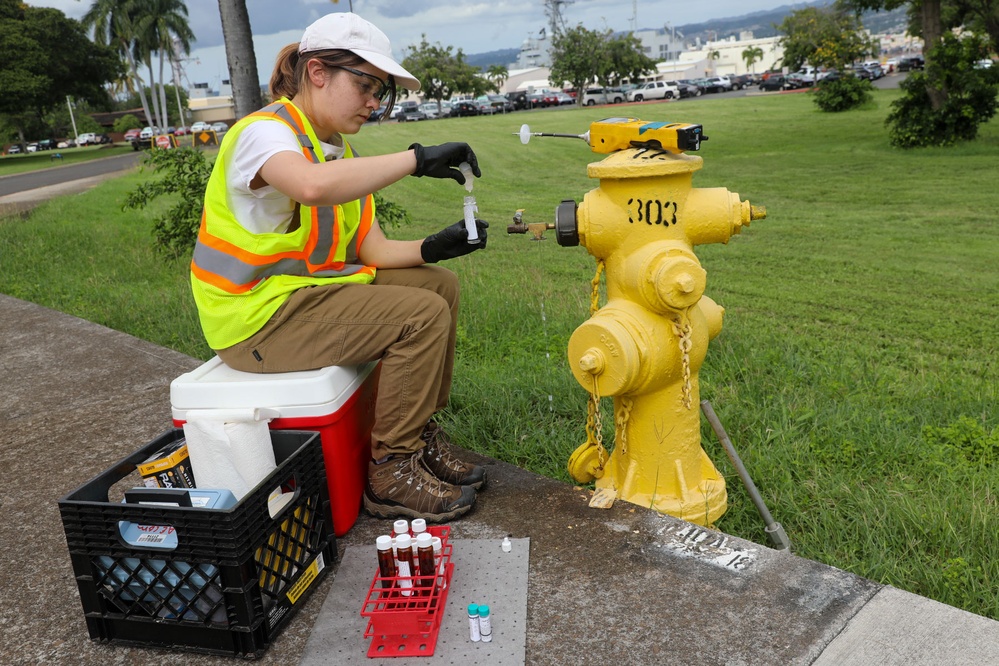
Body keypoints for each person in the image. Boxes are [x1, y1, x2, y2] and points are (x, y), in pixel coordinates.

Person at [190, 12, 489, 523]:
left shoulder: (335, 151)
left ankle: (417, 437)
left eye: (382, 91)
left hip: (299, 302)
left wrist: (437, 247)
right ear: (317, 72)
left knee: (440, 287)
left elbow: (372, 252)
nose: (375, 102)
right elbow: (308, 186)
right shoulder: (263, 134)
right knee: (422, 315)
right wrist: (416, 159)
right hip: (254, 320)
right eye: (367, 86)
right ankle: (391, 471)